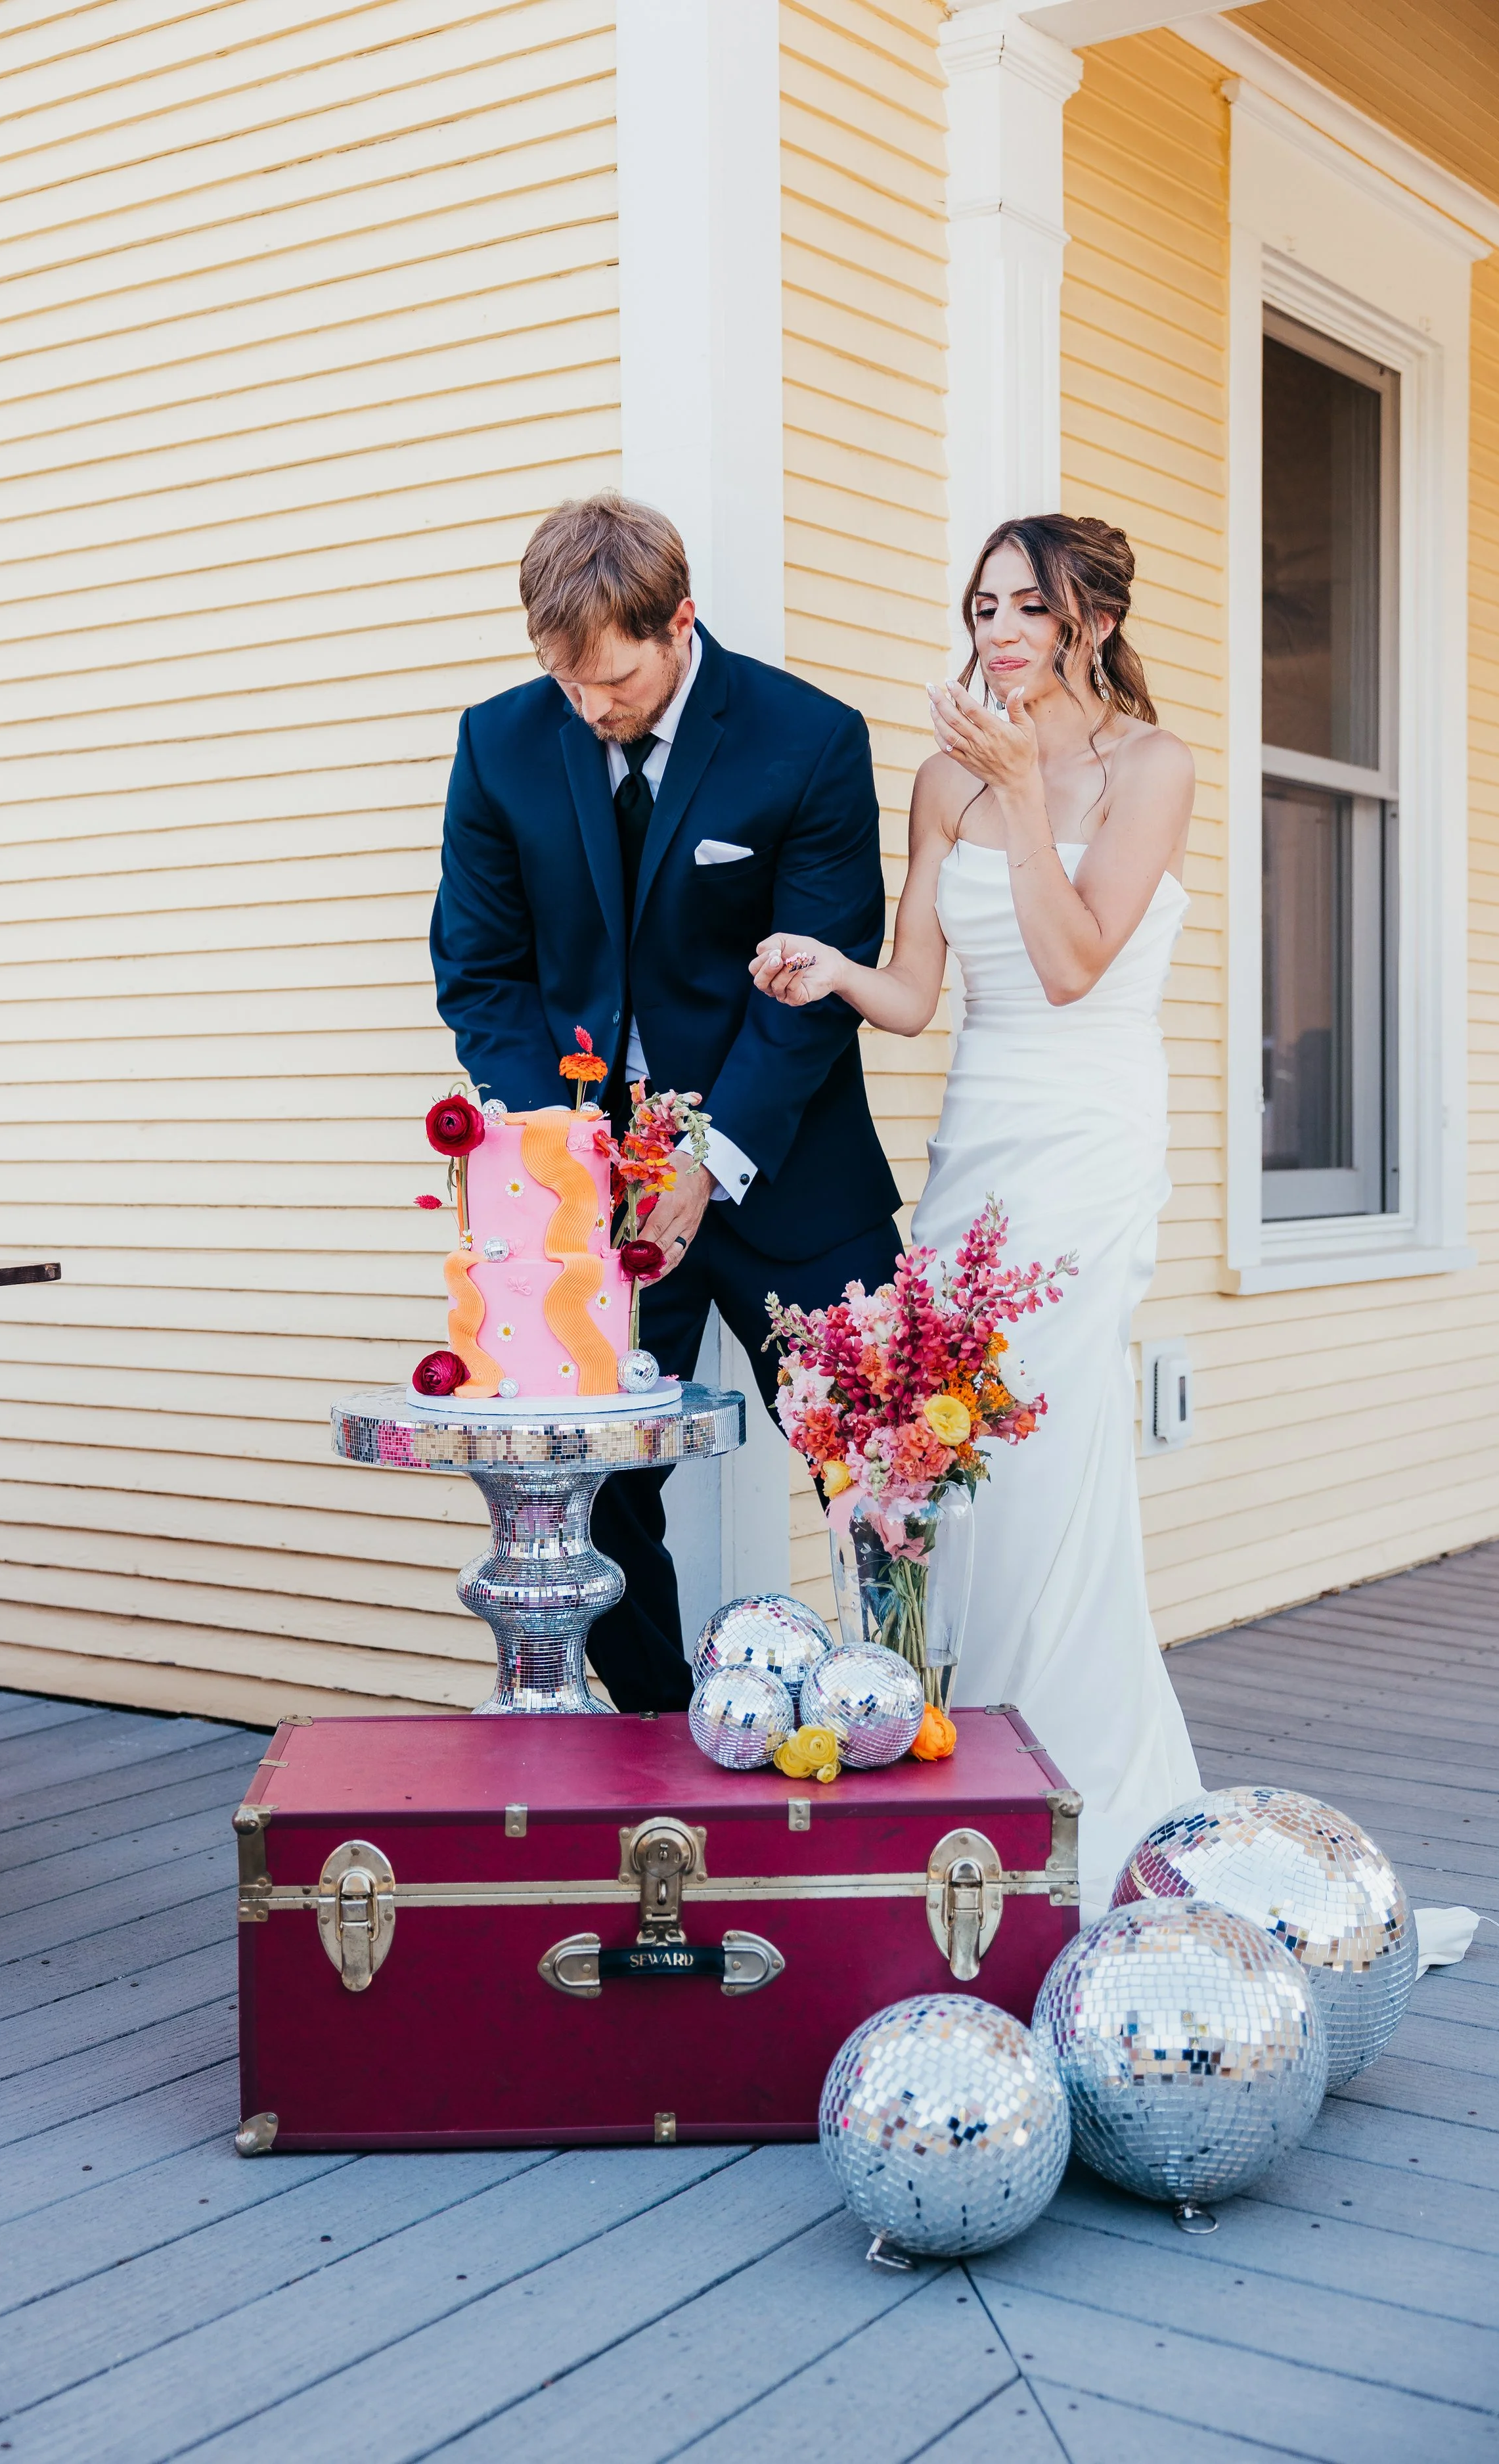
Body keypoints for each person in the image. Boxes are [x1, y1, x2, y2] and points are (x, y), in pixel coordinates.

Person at [750, 513, 1201, 1909]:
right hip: (975, 1152)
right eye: (984, 607)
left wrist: (1019, 792)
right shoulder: (942, 777)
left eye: (1028, 608)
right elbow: (916, 992)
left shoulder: (1148, 768)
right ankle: (955, 1759)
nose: (998, 632)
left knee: (1054, 1460)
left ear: (1094, 626)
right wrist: (828, 967)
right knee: (948, 1471)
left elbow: (1070, 966)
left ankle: (1078, 1796)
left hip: (1084, 1145)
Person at [431, 494, 902, 1712]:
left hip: (793, 1173)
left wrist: (709, 1156)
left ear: (680, 620)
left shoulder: (809, 739)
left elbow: (817, 981)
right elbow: (479, 972)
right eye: (566, 678)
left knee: (886, 1465)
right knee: (600, 1488)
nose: (591, 705)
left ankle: (901, 1705)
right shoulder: (498, 746)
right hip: (587, 1197)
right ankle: (656, 1736)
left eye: (614, 677)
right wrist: (581, 1159)